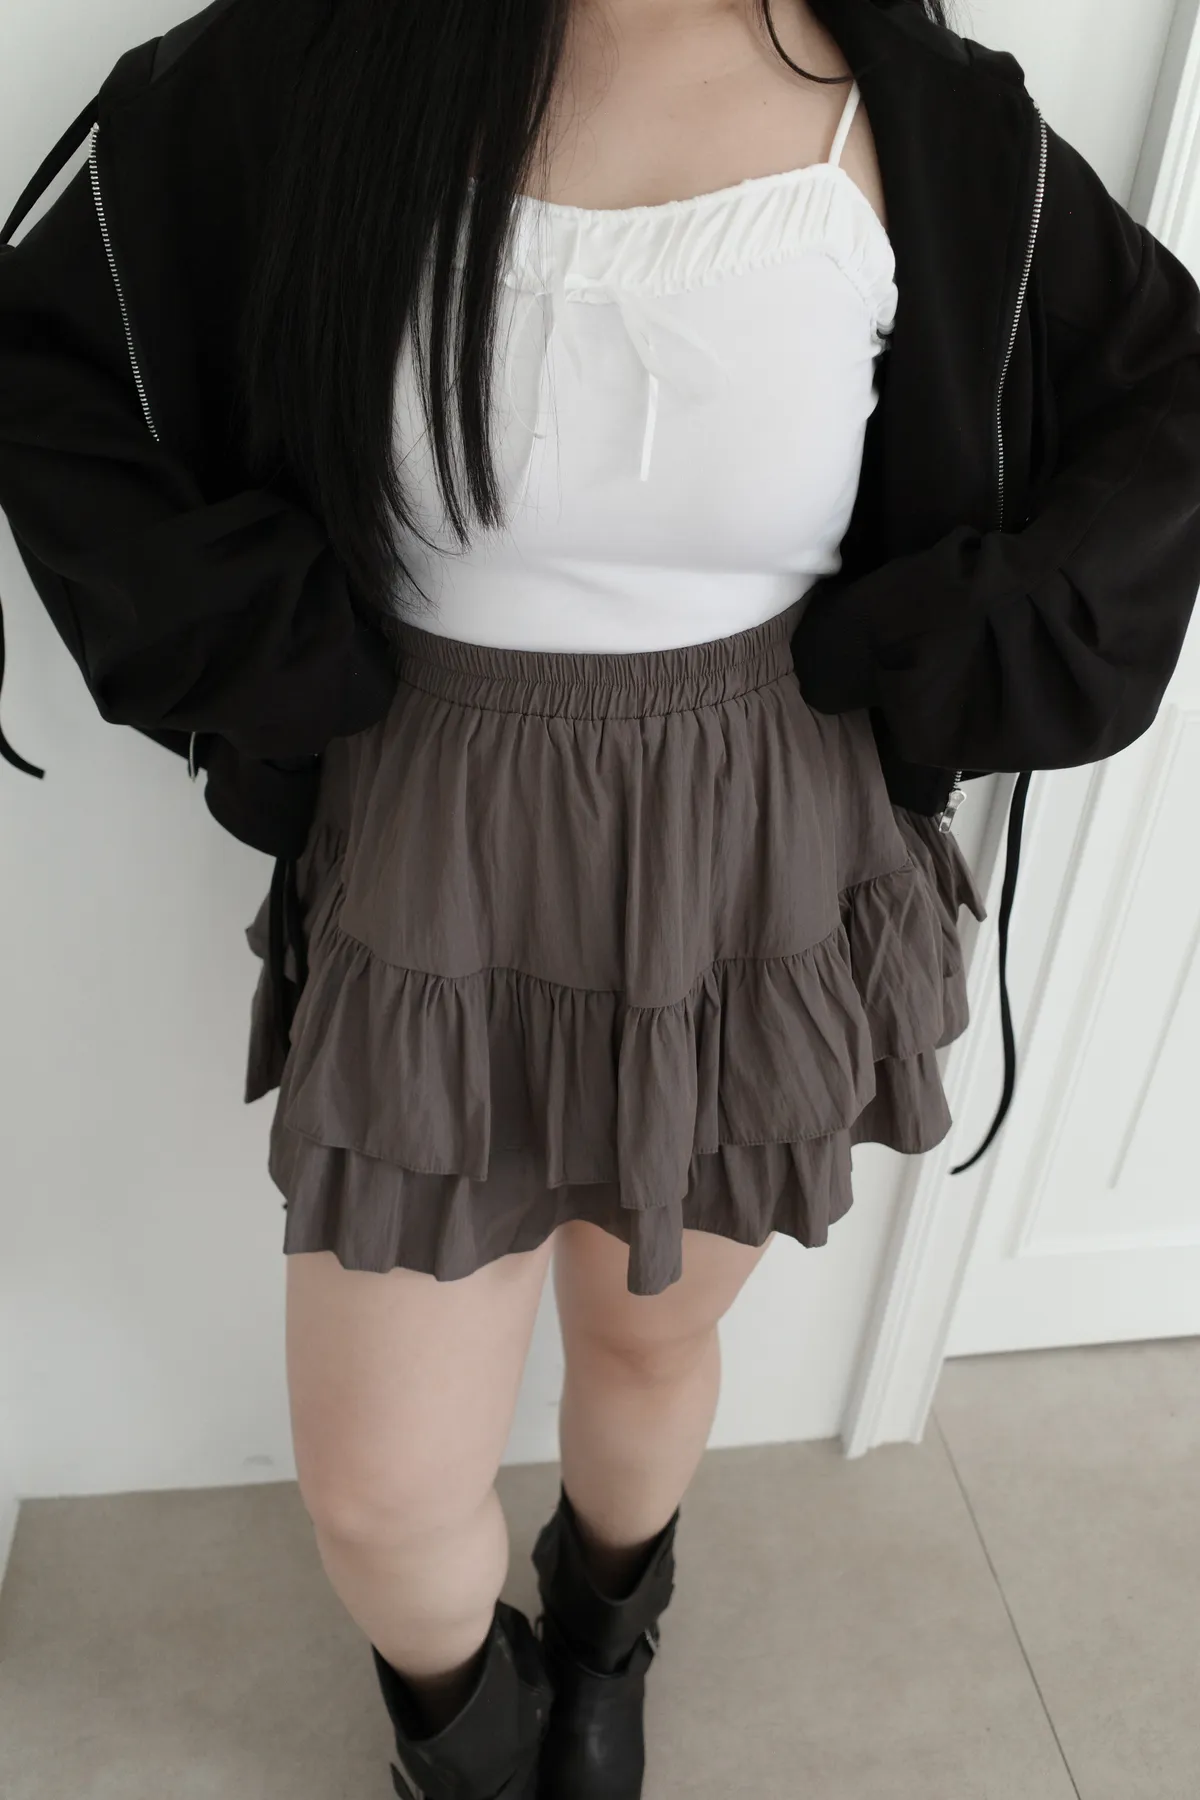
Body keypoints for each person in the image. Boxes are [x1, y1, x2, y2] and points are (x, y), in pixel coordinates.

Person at [2, 0, 1199, 1796]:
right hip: (441, 856)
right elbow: (42, 356)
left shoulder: (919, 109)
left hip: (760, 853)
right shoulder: (305, 65)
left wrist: (969, 636)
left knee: (647, 1333)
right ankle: (468, 1745)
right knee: (381, 1487)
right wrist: (247, 636)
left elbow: (1164, 393)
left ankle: (607, 1631)